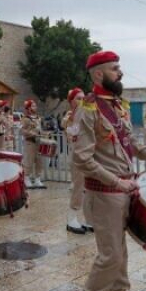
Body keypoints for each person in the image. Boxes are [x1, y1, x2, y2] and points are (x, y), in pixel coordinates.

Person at [74, 50, 146, 291]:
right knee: (111, 255)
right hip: (105, 192)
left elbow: (130, 142)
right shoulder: (89, 108)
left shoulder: (120, 106)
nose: (120, 73)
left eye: (120, 67)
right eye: (115, 68)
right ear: (98, 74)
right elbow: (81, 158)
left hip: (124, 190)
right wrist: (117, 181)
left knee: (121, 254)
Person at [62, 87, 91, 235]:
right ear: (71, 101)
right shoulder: (69, 118)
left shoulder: (86, 114)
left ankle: (88, 219)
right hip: (78, 156)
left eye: (83, 98)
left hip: (89, 156)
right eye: (78, 98)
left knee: (89, 189)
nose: (82, 100)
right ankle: (71, 218)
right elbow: (73, 134)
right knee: (78, 187)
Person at [21, 99, 46, 189]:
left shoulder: (38, 118)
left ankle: (37, 179)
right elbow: (22, 130)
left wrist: (44, 134)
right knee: (29, 161)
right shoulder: (25, 119)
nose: (35, 107)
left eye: (35, 106)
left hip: (38, 142)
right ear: (28, 108)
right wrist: (32, 133)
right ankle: (26, 178)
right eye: (33, 106)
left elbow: (39, 129)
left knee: (39, 161)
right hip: (30, 142)